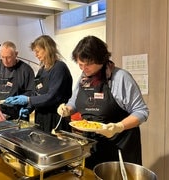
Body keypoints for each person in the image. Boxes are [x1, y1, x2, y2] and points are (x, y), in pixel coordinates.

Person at [57, 35, 149, 169]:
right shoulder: (84, 78)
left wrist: (118, 127)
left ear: (101, 60)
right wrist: (68, 109)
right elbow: (75, 102)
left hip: (119, 147)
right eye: (80, 64)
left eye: (87, 64)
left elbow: (142, 111)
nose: (83, 69)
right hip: (92, 145)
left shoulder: (120, 77)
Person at [5, 35, 73, 134]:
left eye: (37, 51)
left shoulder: (59, 68)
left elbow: (52, 96)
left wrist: (28, 100)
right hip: (41, 117)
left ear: (47, 49)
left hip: (56, 117)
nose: (36, 55)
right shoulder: (42, 70)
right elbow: (36, 92)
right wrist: (29, 108)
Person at [0, 41, 35, 120]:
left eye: (9, 57)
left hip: (18, 112)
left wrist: (27, 107)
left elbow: (31, 91)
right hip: (0, 111)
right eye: (2, 57)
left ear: (16, 54)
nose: (5, 61)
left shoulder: (26, 70)